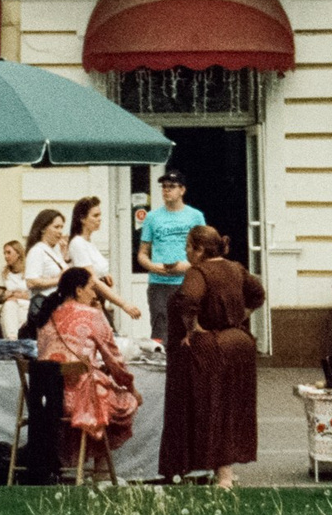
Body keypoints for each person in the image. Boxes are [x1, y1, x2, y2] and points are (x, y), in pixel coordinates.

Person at [159, 226, 265, 487]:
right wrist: (241, 316)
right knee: (231, 409)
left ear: (200, 249)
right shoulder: (235, 268)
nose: (185, 251)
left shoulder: (199, 271)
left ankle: (218, 475)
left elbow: (187, 299)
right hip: (239, 344)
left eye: (188, 246)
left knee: (209, 408)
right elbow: (258, 294)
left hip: (212, 348)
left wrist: (192, 327)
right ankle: (225, 473)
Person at [39, 264, 139, 470]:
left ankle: (85, 468)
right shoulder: (93, 315)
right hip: (80, 400)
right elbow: (116, 361)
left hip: (48, 399)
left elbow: (42, 356)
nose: (94, 293)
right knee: (123, 400)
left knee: (97, 390)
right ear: (79, 289)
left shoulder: (46, 315)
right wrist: (133, 390)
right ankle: (100, 471)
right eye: (92, 288)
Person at [136, 171, 204, 336]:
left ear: (182, 190)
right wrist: (152, 266)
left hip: (187, 281)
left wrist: (187, 265)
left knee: (188, 328)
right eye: (164, 187)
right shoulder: (152, 217)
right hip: (159, 283)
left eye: (172, 186)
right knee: (160, 329)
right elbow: (142, 253)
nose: (166, 190)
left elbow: (204, 251)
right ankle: (161, 361)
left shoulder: (195, 216)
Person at [67, 195, 144, 326]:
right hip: (89, 302)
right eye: (95, 216)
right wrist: (124, 304)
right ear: (82, 219)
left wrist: (105, 275)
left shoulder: (89, 242)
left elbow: (96, 272)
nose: (99, 219)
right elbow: (92, 280)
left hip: (98, 300)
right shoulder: (78, 244)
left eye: (100, 215)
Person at [22, 210, 70, 294]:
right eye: (56, 227)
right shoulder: (37, 251)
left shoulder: (55, 250)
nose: (60, 231)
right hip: (45, 303)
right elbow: (31, 281)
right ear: (43, 229)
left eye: (61, 227)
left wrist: (65, 256)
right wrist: (59, 280)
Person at [0, 238, 30, 336]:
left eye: (9, 253)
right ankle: (12, 342)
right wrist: (4, 295)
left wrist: (15, 295)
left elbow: (33, 295)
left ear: (18, 254)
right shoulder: (5, 273)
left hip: (27, 307)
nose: (6, 256)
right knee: (9, 306)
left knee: (13, 313)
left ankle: (12, 342)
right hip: (11, 306)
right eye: (4, 253)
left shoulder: (29, 271)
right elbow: (0, 295)